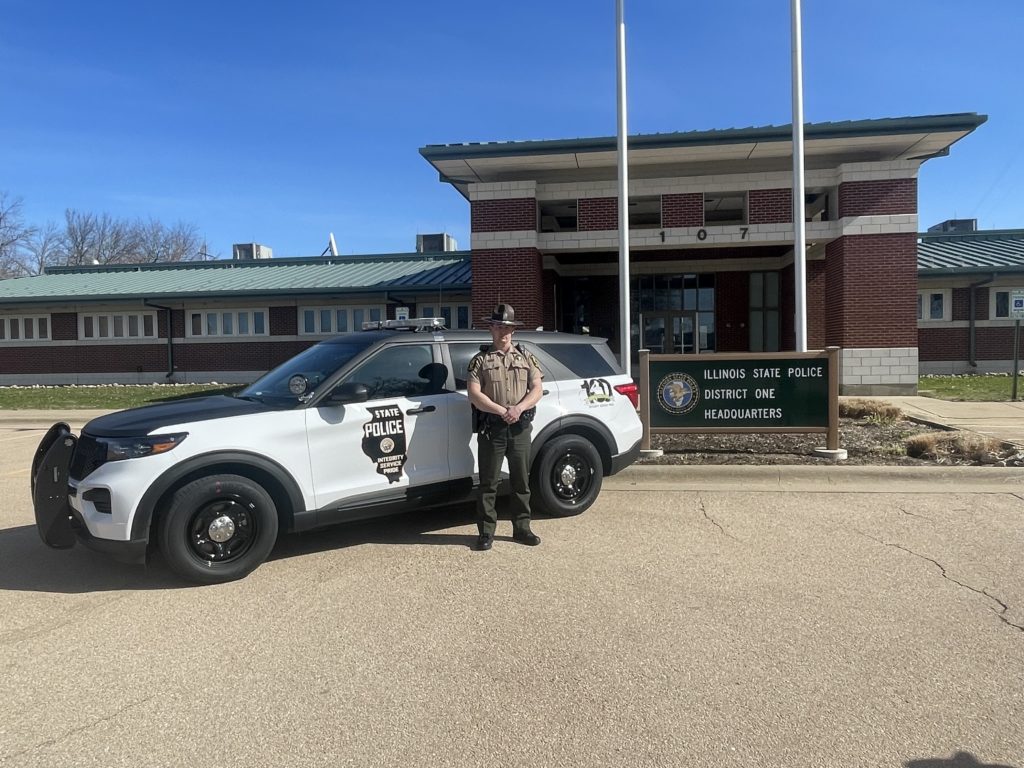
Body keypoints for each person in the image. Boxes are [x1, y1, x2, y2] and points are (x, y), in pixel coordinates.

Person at [467, 304, 544, 551]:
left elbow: (537, 389)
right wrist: (503, 411)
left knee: (521, 481)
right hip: (493, 429)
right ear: (491, 328)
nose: (505, 332)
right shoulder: (479, 360)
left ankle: (522, 528)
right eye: (500, 326)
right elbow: (474, 394)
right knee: (488, 483)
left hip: (520, 428)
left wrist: (518, 409)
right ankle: (486, 532)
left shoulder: (526, 357)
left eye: (509, 327)